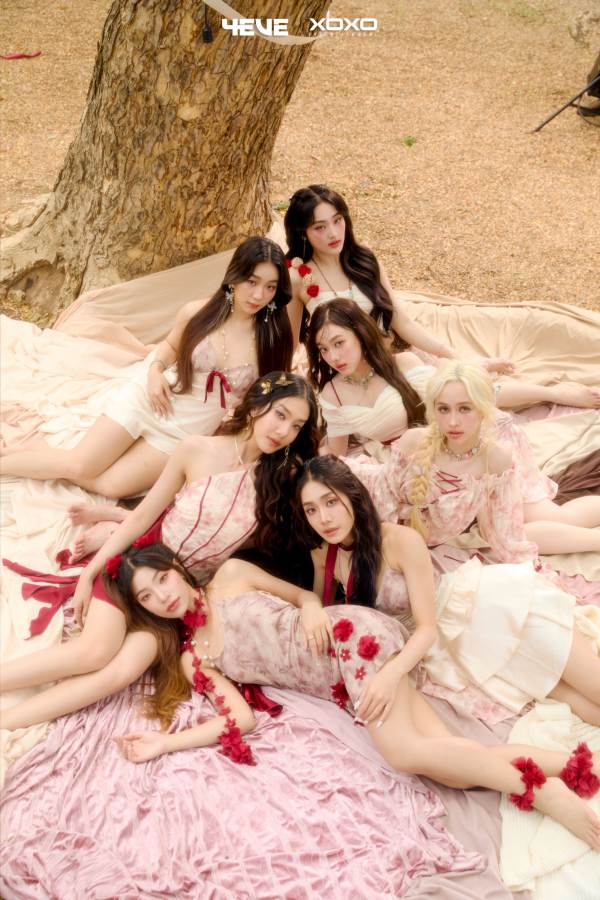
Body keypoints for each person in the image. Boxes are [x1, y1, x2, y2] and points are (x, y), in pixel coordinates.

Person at [111, 542, 600, 852]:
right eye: (147, 597)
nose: (163, 596)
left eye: (162, 579)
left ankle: (538, 793)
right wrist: (165, 743)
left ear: (176, 567)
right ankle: (575, 767)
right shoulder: (194, 658)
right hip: (340, 684)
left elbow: (304, 597)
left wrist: (308, 609)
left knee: (404, 753)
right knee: (450, 764)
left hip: (352, 637)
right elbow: (241, 719)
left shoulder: (232, 576)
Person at [0, 373, 320, 731]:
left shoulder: (280, 480)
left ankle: (5, 722)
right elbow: (143, 516)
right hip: (143, 565)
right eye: (280, 414)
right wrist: (92, 570)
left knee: (121, 672)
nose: (284, 431)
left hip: (178, 599)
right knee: (95, 651)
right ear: (258, 404)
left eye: (297, 425)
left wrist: (311, 597)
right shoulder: (197, 450)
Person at [295, 455, 600, 726]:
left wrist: (392, 672)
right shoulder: (324, 554)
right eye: (311, 509)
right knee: (569, 699)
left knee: (591, 682)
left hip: (483, 609)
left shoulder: (399, 540)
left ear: (352, 495)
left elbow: (426, 627)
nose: (324, 518)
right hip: (454, 649)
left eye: (330, 502)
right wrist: (309, 603)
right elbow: (325, 612)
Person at [0, 237, 294, 498]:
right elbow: (169, 348)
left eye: (270, 287)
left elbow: (270, 396)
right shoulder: (197, 313)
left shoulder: (273, 338)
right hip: (149, 399)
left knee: (110, 486)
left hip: (185, 430)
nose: (259, 295)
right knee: (79, 465)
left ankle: (33, 457)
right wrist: (154, 372)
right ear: (234, 276)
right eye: (252, 282)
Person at [285, 184, 600, 409]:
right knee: (448, 399)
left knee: (464, 389)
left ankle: (553, 393)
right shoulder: (300, 276)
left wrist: (451, 354)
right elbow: (289, 340)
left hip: (390, 356)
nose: (333, 233)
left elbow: (401, 319)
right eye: (320, 227)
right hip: (347, 369)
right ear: (303, 233)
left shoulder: (364, 259)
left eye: (338, 220)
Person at [372, 361, 600, 558]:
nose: (452, 422)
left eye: (464, 409)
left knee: (555, 518)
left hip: (488, 447)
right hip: (404, 507)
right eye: (443, 409)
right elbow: (384, 502)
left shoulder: (496, 458)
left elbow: (508, 537)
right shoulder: (414, 442)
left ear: (483, 408)